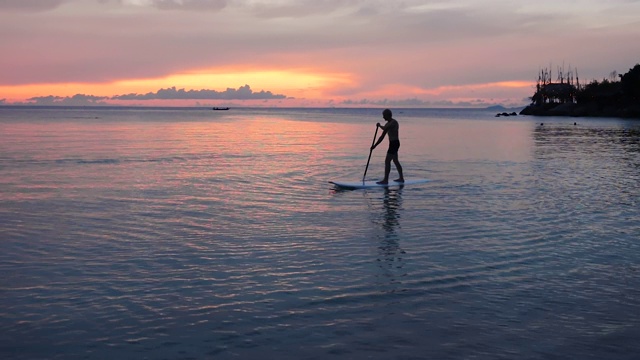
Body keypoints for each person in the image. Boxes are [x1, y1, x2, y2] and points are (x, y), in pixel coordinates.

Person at [371, 109, 404, 184]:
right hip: (394, 143)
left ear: (388, 115)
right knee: (395, 161)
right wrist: (379, 126)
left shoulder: (393, 123)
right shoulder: (388, 124)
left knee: (387, 161)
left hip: (394, 144)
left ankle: (386, 180)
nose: (383, 117)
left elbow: (382, 136)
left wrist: (375, 145)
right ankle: (401, 178)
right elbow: (385, 128)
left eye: (384, 115)